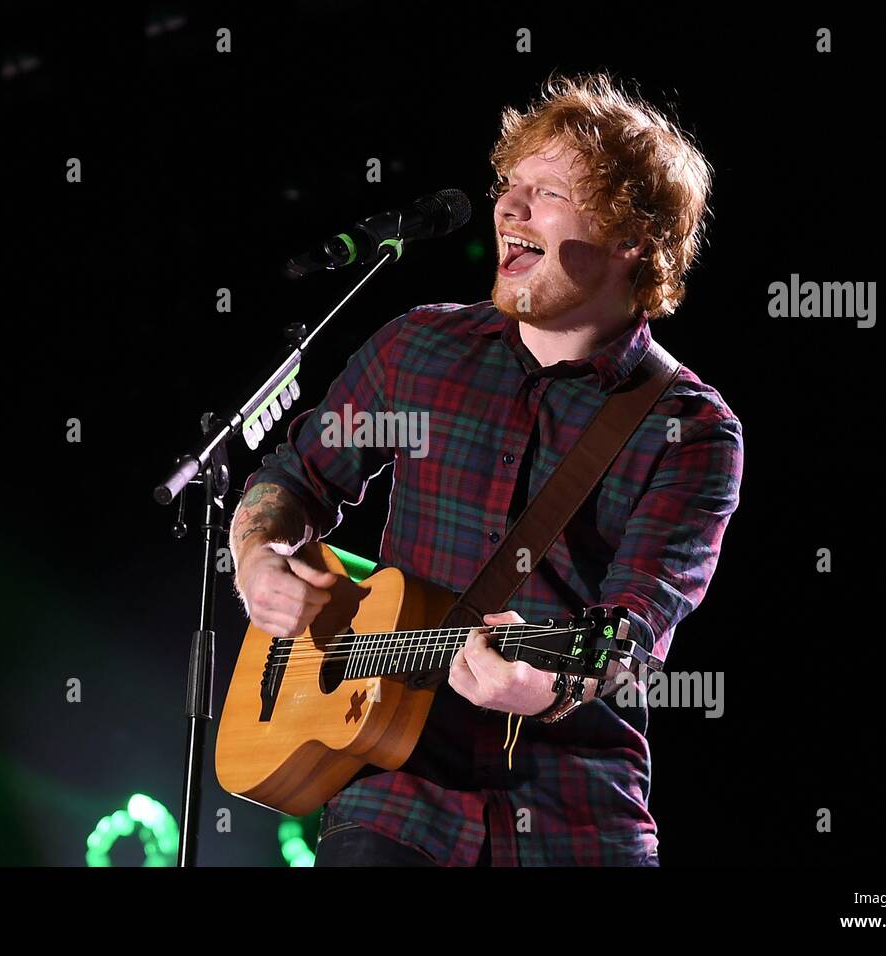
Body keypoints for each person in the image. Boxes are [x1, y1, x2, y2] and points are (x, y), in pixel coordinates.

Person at [230, 72, 743, 866]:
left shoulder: (691, 429)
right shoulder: (419, 348)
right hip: (396, 794)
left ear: (631, 238)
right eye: (510, 186)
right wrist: (260, 558)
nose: (509, 207)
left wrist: (548, 687)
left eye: (548, 192)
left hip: (574, 809)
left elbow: (633, 629)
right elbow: (294, 480)